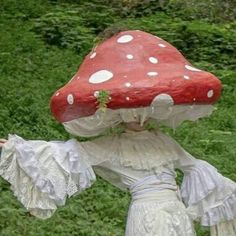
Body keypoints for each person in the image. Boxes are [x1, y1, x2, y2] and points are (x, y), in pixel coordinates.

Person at [0, 30, 235, 236]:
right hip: (147, 215)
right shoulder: (112, 145)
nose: (136, 116)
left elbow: (195, 167)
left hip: (177, 212)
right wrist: (14, 148)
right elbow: (69, 153)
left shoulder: (163, 140)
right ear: (117, 114)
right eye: (130, 112)